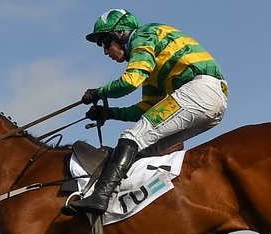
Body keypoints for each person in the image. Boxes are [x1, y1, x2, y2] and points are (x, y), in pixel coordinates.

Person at [62, 9, 228, 216]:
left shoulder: (144, 35)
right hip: (210, 101)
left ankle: (100, 197)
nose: (105, 52)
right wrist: (109, 113)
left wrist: (98, 93)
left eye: (105, 43)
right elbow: (147, 108)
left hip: (200, 92)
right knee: (145, 149)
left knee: (131, 137)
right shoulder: (151, 61)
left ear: (120, 34)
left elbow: (130, 81)